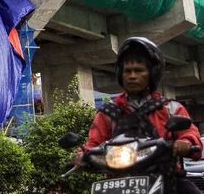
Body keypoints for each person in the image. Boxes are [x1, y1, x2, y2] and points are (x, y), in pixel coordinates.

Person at [74, 36, 203, 193]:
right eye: (128, 71)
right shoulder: (108, 112)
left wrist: (186, 142)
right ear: (121, 74)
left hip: (166, 177)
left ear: (152, 73)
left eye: (139, 71)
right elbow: (93, 143)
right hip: (117, 183)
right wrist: (82, 155)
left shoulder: (170, 108)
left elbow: (190, 133)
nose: (132, 76)